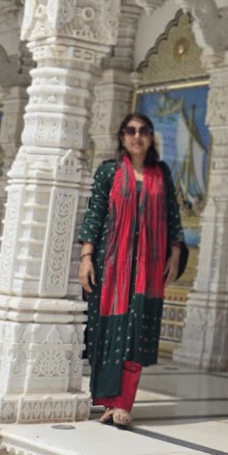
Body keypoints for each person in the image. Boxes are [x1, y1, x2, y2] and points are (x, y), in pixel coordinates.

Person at [79, 112, 184, 427]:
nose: (137, 136)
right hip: (111, 265)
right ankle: (108, 402)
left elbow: (172, 215)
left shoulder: (160, 173)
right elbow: (95, 214)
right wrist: (86, 257)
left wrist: (175, 253)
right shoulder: (109, 171)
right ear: (122, 137)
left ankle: (123, 403)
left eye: (143, 131)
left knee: (137, 330)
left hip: (148, 269)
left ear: (151, 137)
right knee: (108, 331)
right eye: (130, 130)